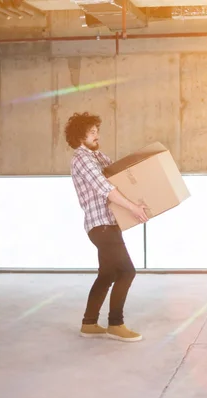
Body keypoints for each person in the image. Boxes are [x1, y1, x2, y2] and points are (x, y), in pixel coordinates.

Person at [64, 112, 149, 342]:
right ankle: (116, 324)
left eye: (96, 131)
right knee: (127, 271)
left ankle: (89, 323)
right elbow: (106, 189)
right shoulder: (82, 158)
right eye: (92, 132)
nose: (97, 135)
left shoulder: (98, 156)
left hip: (109, 224)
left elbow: (120, 179)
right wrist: (132, 208)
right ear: (80, 136)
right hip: (100, 225)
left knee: (107, 274)